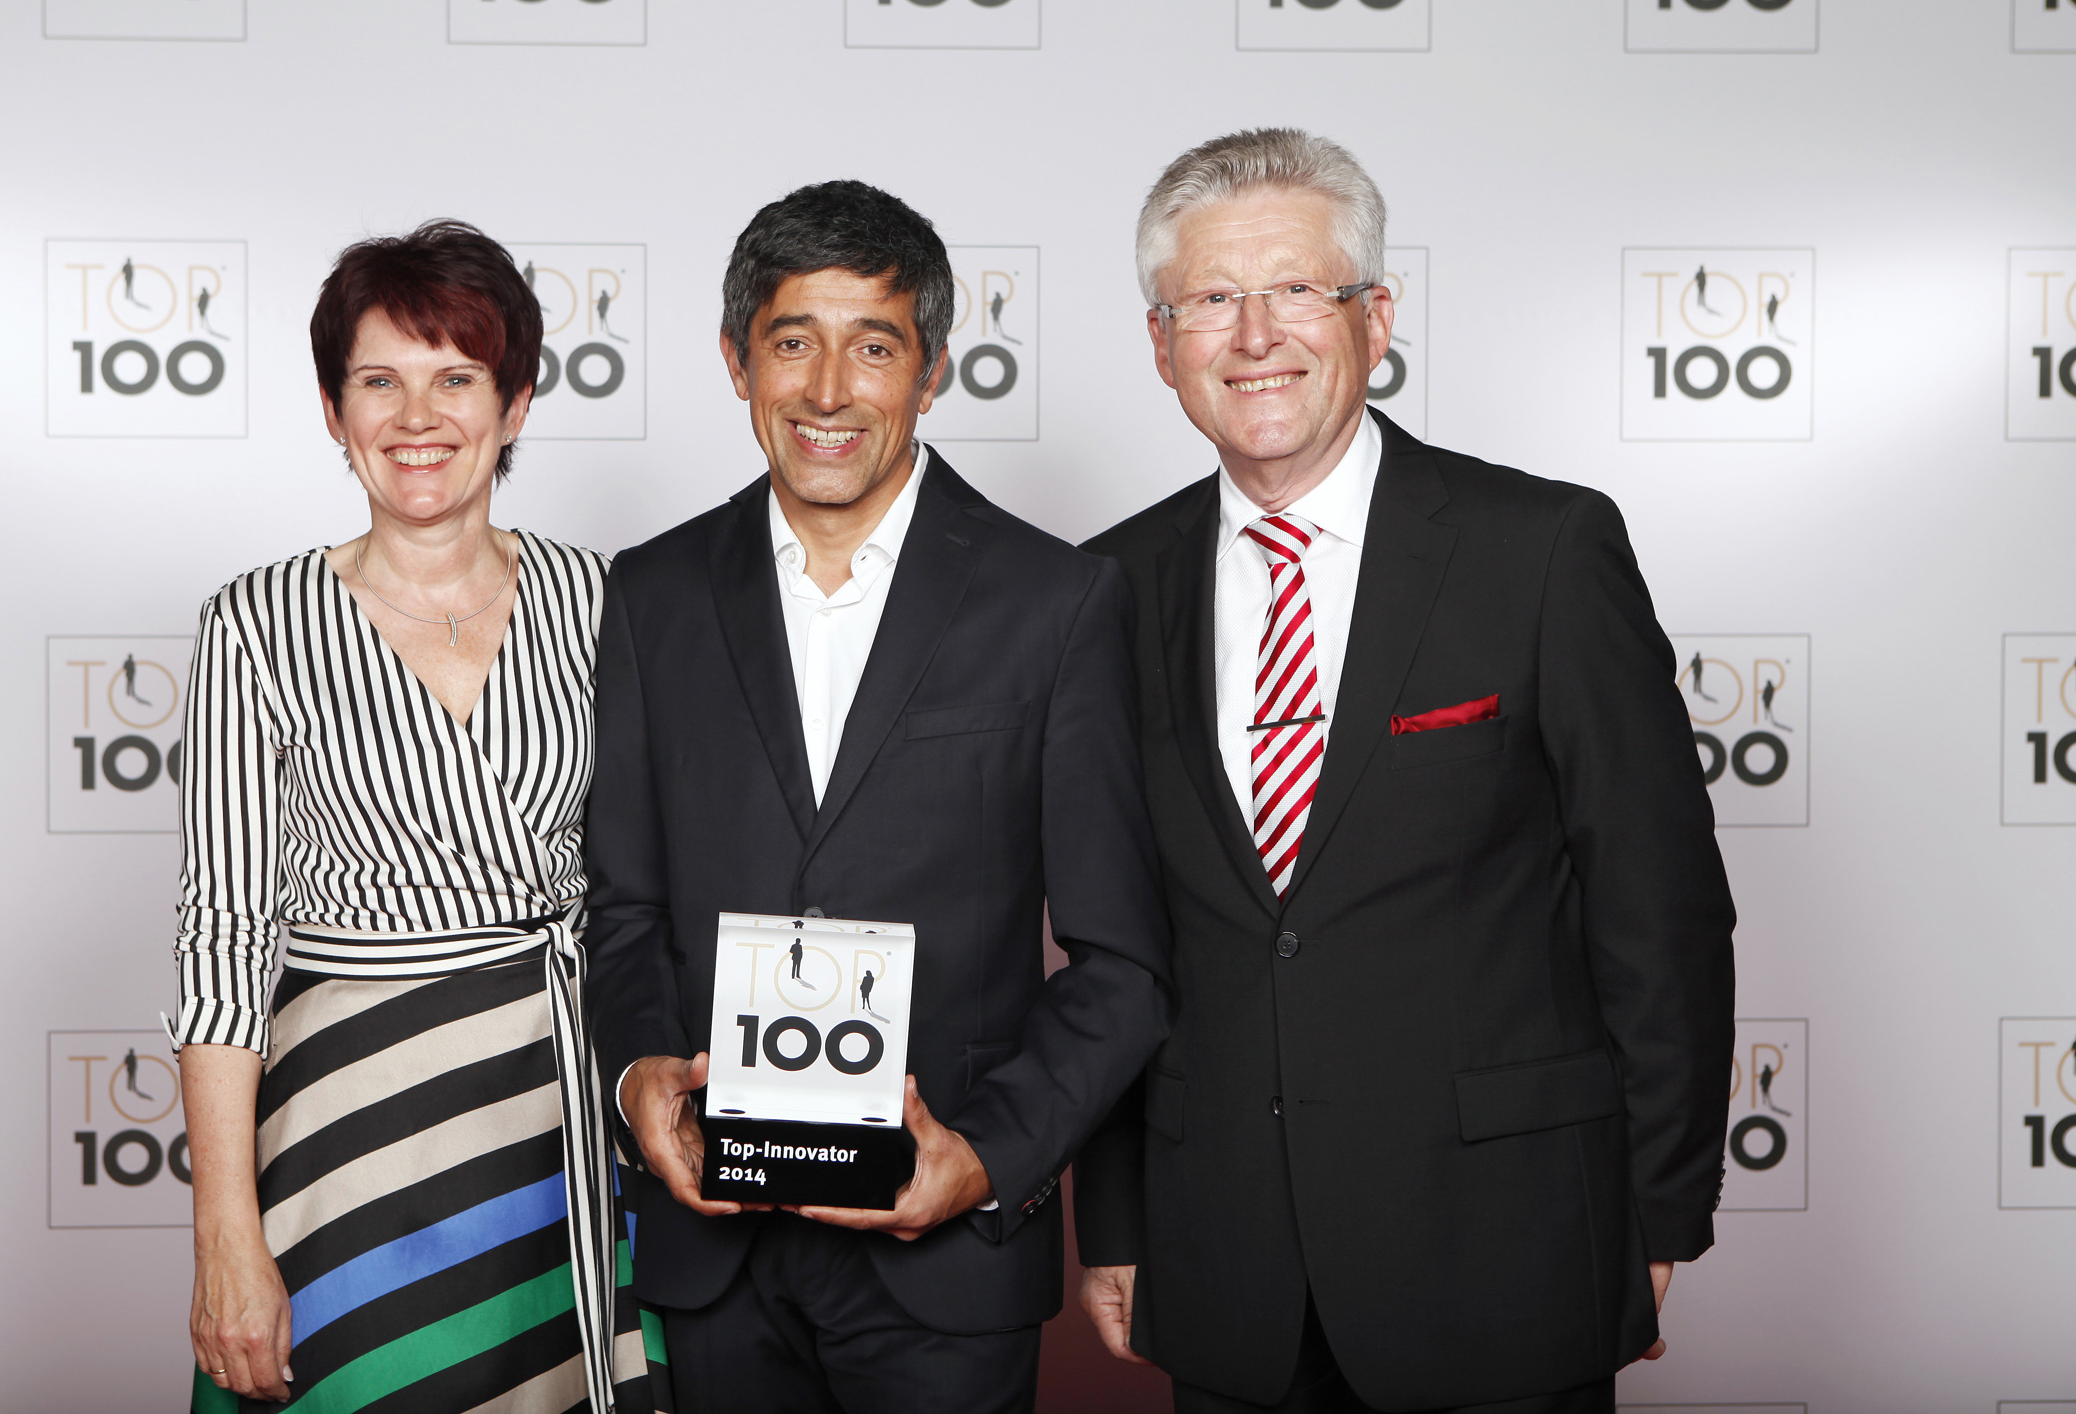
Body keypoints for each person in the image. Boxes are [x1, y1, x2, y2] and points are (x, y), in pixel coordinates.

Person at [1074, 129, 1736, 1413]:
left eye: (1295, 289)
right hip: (1224, 1268)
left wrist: (1660, 1208)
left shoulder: (1541, 549)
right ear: (1161, 344)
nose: (1253, 334)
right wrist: (1114, 1215)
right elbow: (1113, 946)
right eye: (1209, 299)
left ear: (1373, 318)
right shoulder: (1104, 587)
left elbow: (1659, 909)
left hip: (1505, 1250)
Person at [583, 180, 1170, 1414]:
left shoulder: (1054, 602)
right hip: (714, 1243)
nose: (828, 389)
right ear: (737, 361)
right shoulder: (651, 593)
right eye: (792, 341)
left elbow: (1122, 962)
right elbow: (623, 910)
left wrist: (988, 1155)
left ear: (932, 369)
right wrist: (639, 1076)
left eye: (874, 346)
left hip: (944, 1258)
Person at [170, 221, 665, 1414]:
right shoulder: (255, 622)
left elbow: (661, 878)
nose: (416, 416)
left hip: (558, 1114)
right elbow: (223, 937)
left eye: (455, 378)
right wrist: (225, 1229)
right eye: (377, 381)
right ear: (333, 411)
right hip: (352, 1134)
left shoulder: (606, 598)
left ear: (515, 402)